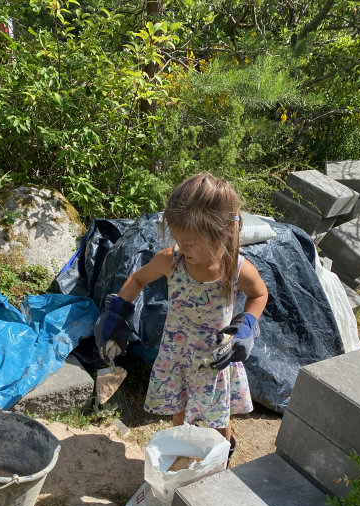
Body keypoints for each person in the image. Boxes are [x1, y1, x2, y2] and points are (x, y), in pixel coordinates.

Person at [94, 172, 268, 460]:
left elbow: (259, 295)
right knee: (179, 415)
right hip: (177, 354)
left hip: (215, 359)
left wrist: (246, 325)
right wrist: (117, 312)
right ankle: (181, 456)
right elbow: (137, 279)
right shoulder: (170, 260)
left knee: (218, 421)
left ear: (222, 233)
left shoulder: (236, 269)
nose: (182, 249)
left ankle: (220, 458)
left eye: (190, 243)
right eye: (177, 239)